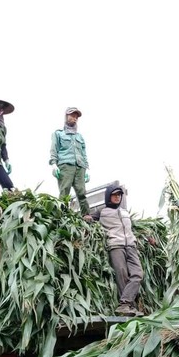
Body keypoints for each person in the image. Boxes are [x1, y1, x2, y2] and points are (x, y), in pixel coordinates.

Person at [91, 185, 144, 317]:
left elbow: (134, 228)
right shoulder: (101, 211)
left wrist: (148, 237)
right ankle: (127, 307)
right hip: (116, 245)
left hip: (131, 245)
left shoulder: (125, 212)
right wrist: (87, 219)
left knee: (138, 274)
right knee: (122, 274)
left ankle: (125, 303)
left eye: (119, 195)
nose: (117, 197)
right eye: (114, 195)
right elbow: (89, 219)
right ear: (108, 196)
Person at [49, 107, 91, 218]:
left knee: (82, 193)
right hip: (65, 166)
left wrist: (87, 169)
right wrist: (54, 164)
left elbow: (84, 153)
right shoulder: (58, 134)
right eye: (72, 115)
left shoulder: (80, 137)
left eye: (76, 117)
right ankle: (61, 216)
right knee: (64, 193)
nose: (75, 118)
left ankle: (86, 215)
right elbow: (54, 149)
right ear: (66, 116)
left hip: (80, 167)